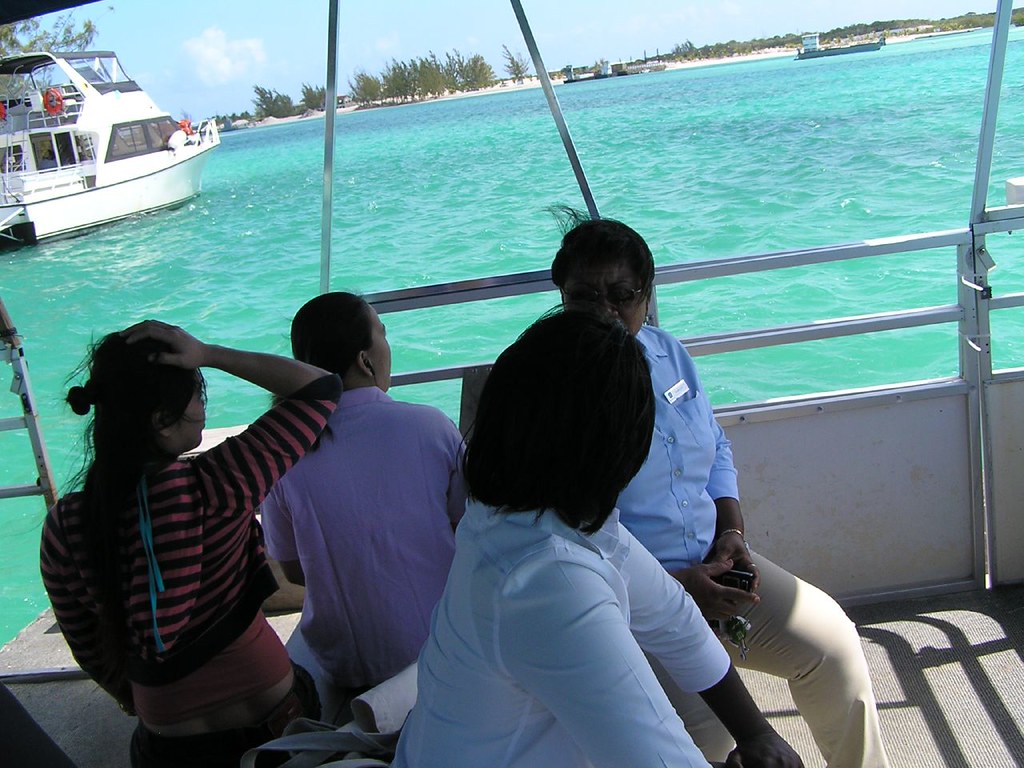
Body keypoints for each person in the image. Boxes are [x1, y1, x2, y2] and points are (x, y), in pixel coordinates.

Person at [550, 211, 890, 768]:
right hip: (634, 601)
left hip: (719, 565)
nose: (606, 311)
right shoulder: (552, 392)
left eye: (622, 294)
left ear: (647, 296)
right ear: (562, 298)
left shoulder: (669, 353)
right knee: (708, 737)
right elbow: (565, 539)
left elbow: (716, 447)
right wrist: (676, 587)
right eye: (585, 296)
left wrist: (732, 533)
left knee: (833, 648)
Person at [393, 309, 803, 768]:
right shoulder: (549, 582)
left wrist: (756, 732)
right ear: (621, 450)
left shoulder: (515, 511)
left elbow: (675, 617)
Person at [39, 320, 342, 768]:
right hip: (274, 724)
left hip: (168, 745)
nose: (202, 408)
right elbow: (321, 388)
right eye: (197, 396)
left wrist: (147, 697)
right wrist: (209, 353)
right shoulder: (222, 482)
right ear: (162, 421)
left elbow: (89, 648)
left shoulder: (64, 527)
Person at [261, 292, 466, 723]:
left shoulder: (284, 451)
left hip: (343, 662)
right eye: (383, 334)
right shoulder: (429, 425)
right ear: (365, 360)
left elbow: (294, 571)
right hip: (434, 647)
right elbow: (466, 528)